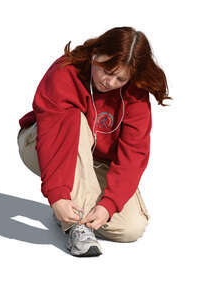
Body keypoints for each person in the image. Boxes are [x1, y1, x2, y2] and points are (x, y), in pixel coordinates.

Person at [17, 26, 172, 257]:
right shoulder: (66, 72)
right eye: (107, 70)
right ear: (95, 54)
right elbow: (51, 135)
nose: (109, 82)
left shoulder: (135, 94)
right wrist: (57, 195)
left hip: (94, 160)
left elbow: (134, 154)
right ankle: (76, 225)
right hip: (39, 142)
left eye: (120, 78)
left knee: (131, 227)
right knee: (75, 120)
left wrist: (108, 205)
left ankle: (71, 209)